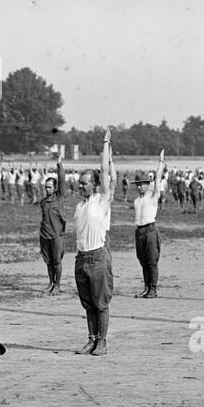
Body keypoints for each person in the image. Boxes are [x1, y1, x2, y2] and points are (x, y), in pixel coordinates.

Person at [73, 128, 115, 355]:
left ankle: (103, 342)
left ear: (94, 185)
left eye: (84, 183)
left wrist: (105, 143)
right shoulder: (79, 206)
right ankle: (91, 339)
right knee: (88, 304)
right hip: (81, 258)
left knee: (101, 304)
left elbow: (105, 170)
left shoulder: (101, 200)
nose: (80, 186)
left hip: (98, 257)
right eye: (79, 183)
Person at [132, 152, 167, 299]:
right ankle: (146, 288)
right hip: (139, 231)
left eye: (142, 184)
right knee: (143, 261)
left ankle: (153, 289)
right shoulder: (136, 201)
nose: (140, 187)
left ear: (148, 184)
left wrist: (160, 162)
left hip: (150, 230)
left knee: (152, 262)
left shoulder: (152, 197)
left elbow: (158, 179)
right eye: (138, 184)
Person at [38, 149, 66, 295]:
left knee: (57, 262)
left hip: (56, 236)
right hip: (44, 235)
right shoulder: (42, 202)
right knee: (48, 262)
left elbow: (62, 180)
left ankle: (58, 285)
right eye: (46, 187)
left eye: (49, 187)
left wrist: (59, 165)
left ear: (54, 188)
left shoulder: (59, 197)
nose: (47, 189)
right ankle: (50, 283)